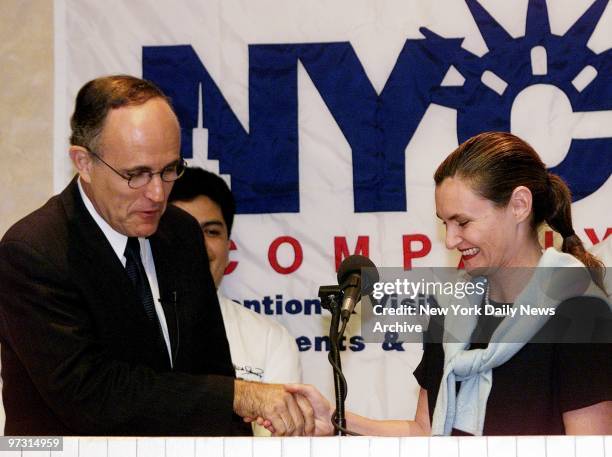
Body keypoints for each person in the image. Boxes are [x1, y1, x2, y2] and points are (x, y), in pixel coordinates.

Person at [0, 75, 313, 436]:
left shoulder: (179, 232)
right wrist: (239, 395)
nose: (157, 194)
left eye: (169, 170)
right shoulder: (34, 252)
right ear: (83, 163)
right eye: (136, 174)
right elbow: (92, 396)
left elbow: (212, 371)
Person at [285, 131, 611, 436]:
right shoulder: (451, 308)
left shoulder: (580, 313)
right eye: (445, 223)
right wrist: (335, 418)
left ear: (519, 205)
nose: (451, 240)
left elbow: (590, 448)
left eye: (463, 222)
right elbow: (425, 432)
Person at [168, 167, 302, 435]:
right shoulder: (129, 324)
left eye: (212, 231)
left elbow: (277, 446)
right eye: (184, 229)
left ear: (229, 245)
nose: (200, 245)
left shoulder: (269, 339)